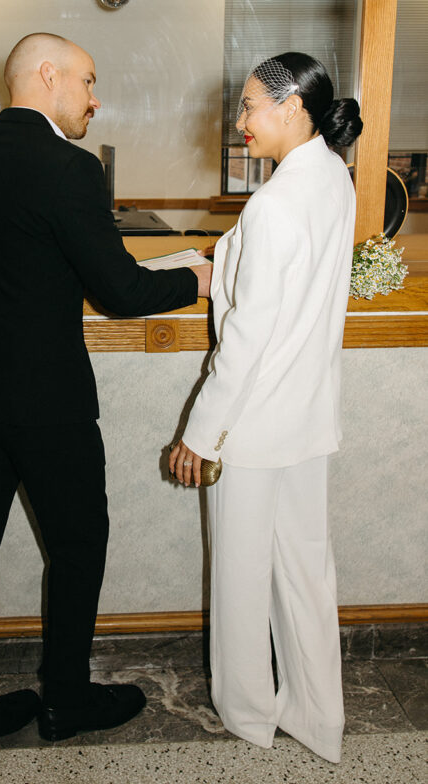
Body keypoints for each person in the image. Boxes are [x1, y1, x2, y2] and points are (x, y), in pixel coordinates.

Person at [0, 32, 206, 766]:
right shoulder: (69, 167)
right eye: (87, 80)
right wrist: (197, 280)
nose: (95, 96)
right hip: (44, 396)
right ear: (46, 76)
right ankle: (64, 698)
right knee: (79, 545)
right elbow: (120, 292)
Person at [170, 52, 363, 765]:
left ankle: (249, 711)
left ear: (292, 108)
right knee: (307, 573)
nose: (240, 120)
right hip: (306, 417)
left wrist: (201, 435)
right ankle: (320, 718)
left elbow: (247, 338)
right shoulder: (331, 183)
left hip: (252, 424)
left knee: (243, 576)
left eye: (250, 105)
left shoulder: (275, 201)